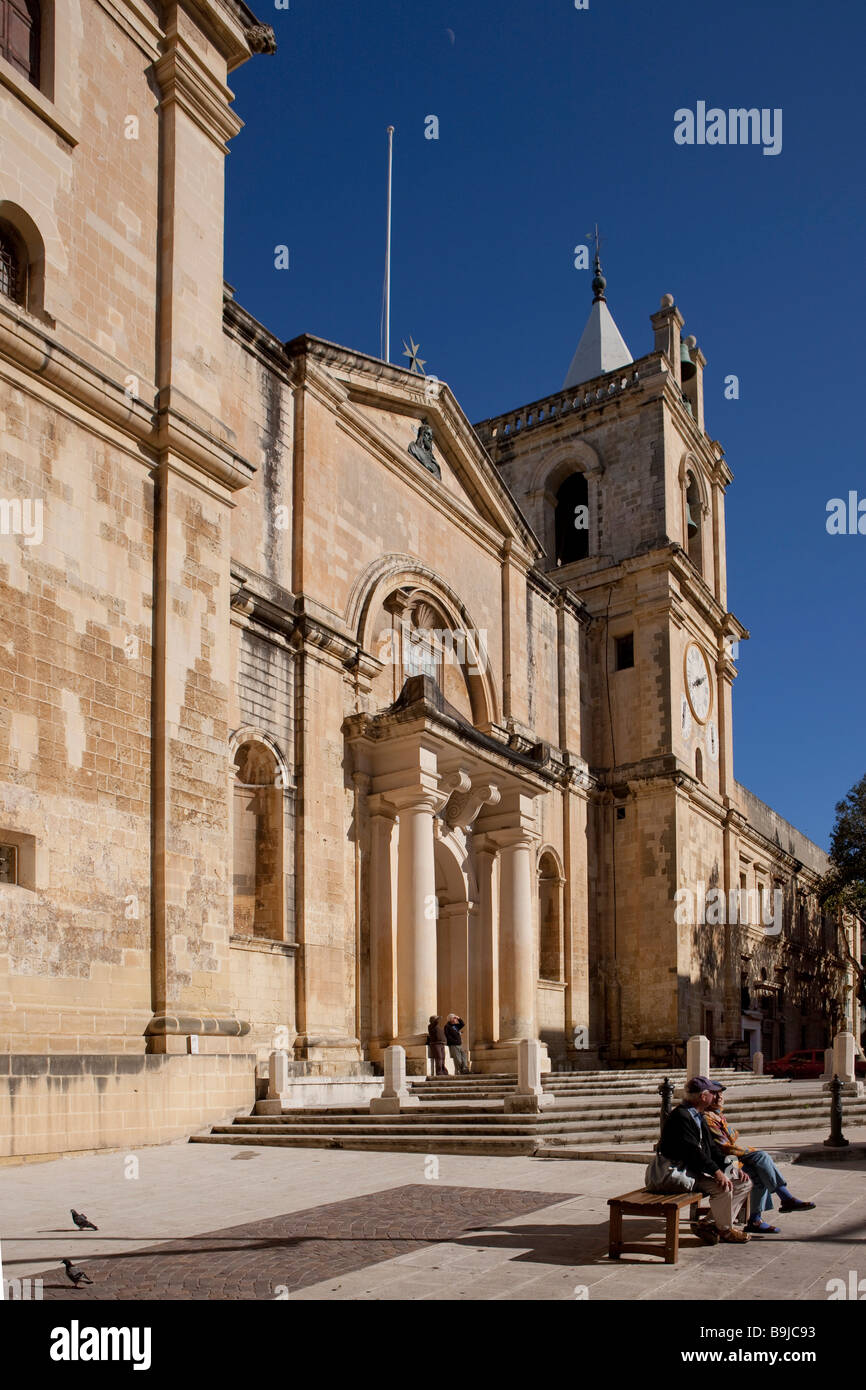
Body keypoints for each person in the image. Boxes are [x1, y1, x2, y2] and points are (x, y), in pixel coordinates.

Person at [704, 1089, 817, 1233]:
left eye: (721, 1093)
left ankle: (757, 1218)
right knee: (760, 1156)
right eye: (715, 1094)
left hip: (729, 1160)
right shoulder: (708, 1118)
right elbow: (726, 1147)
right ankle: (782, 1199)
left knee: (758, 1169)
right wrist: (747, 1153)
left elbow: (732, 1138)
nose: (720, 1097)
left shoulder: (718, 1116)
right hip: (722, 1165)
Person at [657, 1076, 752, 1244]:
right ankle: (725, 1230)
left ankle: (710, 1223)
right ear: (703, 1096)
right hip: (680, 1173)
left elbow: (712, 1150)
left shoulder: (698, 1115)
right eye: (712, 1093)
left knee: (743, 1182)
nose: (716, 1097)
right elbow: (692, 1152)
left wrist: (731, 1168)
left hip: (694, 1169)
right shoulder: (681, 1116)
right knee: (723, 1188)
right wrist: (717, 1173)